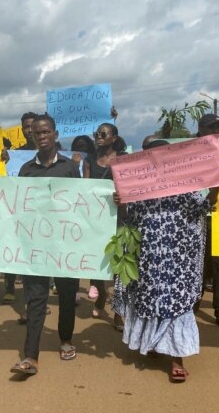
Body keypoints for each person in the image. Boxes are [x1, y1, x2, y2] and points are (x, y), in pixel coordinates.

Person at [113, 138, 219, 383]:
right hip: (149, 258)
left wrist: (216, 187)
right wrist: (121, 204)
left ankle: (177, 359)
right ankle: (153, 342)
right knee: (150, 300)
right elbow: (129, 218)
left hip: (179, 258)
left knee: (178, 304)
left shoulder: (186, 185)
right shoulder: (139, 187)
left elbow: (204, 207)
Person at [0, 114, 81, 375]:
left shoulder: (69, 168)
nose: (41, 137)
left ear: (55, 134)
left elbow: (85, 204)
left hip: (65, 245)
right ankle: (31, 355)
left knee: (65, 294)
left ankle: (65, 339)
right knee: (36, 298)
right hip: (36, 245)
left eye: (45, 132)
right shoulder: (26, 169)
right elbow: (16, 202)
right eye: (36, 133)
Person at [84, 124, 128, 320]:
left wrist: (123, 198)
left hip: (120, 218)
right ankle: (101, 294)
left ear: (114, 138)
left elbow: (131, 188)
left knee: (119, 266)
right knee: (97, 263)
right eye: (97, 134)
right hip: (96, 221)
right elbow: (85, 190)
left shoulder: (124, 159)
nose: (99, 137)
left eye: (103, 134)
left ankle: (118, 311)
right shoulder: (89, 160)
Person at [195, 114, 219, 330]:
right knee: (197, 265)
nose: (215, 133)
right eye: (211, 128)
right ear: (200, 131)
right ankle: (193, 306)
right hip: (197, 217)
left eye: (218, 129)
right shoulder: (188, 155)